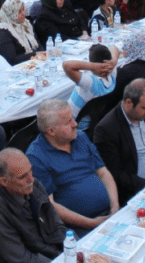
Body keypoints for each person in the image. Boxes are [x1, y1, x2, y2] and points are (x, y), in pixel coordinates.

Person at [26, 99, 120, 230]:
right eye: (68, 122)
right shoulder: (36, 156)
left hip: (109, 213)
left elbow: (103, 172)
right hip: (77, 228)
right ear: (51, 131)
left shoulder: (80, 137)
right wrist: (90, 223)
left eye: (73, 119)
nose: (75, 124)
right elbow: (50, 205)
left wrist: (115, 208)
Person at [0, 148, 65, 263]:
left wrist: (73, 250)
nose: (30, 179)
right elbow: (23, 261)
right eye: (22, 177)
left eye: (30, 170)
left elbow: (57, 223)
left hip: (54, 255)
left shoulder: (33, 185)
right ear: (4, 182)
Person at [62, 43, 118, 125]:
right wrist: (114, 61)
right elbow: (114, 47)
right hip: (98, 122)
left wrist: (92, 66)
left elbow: (66, 65)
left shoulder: (90, 83)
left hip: (75, 124)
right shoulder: (113, 73)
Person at [0, 0, 40, 65]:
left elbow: (37, 43)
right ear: (11, 14)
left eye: (23, 9)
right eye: (19, 12)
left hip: (33, 61)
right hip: (18, 67)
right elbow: (12, 60)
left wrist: (42, 53)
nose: (24, 13)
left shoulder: (25, 24)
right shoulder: (3, 33)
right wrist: (35, 55)